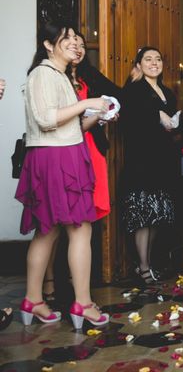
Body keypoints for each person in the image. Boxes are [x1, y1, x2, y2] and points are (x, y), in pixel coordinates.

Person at [15, 23, 109, 328]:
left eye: (76, 39)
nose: (74, 43)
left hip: (61, 152)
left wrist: (94, 114)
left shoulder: (59, 75)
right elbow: (45, 120)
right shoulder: (43, 73)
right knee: (80, 229)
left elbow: (69, 126)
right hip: (56, 157)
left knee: (48, 231)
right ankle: (82, 304)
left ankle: (34, 300)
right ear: (48, 44)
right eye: (66, 38)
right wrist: (87, 103)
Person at [42, 32, 122, 304]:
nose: (77, 48)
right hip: (63, 149)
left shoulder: (87, 77)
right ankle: (50, 281)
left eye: (81, 44)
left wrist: (103, 114)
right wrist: (93, 111)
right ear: (52, 46)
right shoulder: (51, 77)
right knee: (51, 222)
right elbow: (56, 121)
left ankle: (82, 289)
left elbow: (116, 96)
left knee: (83, 221)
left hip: (88, 149)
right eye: (71, 43)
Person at [121, 46, 180, 285]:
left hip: (163, 158)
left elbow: (173, 120)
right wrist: (156, 114)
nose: (154, 63)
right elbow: (129, 116)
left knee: (158, 214)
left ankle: (146, 261)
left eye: (158, 58)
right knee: (143, 216)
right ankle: (143, 266)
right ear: (139, 64)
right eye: (148, 59)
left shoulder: (168, 92)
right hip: (141, 159)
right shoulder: (135, 89)